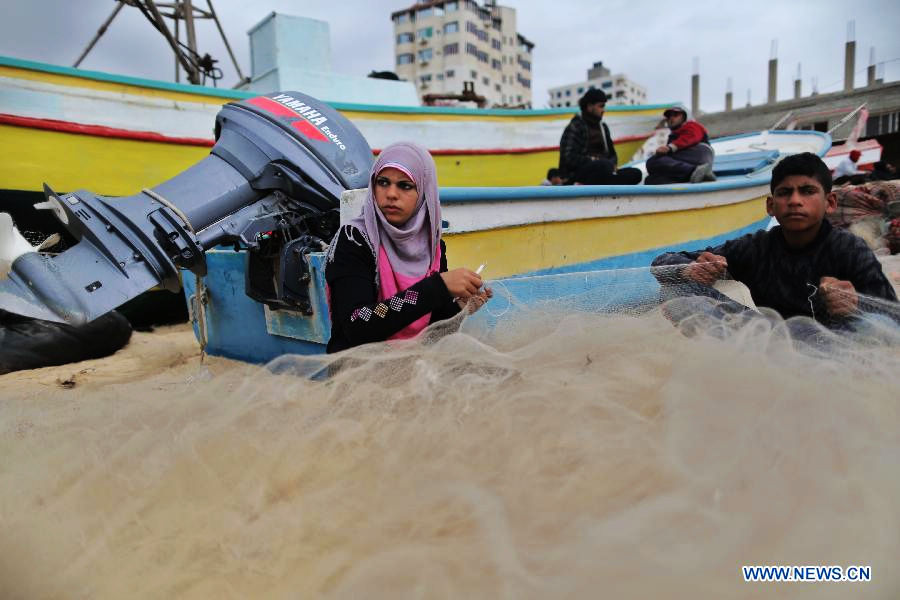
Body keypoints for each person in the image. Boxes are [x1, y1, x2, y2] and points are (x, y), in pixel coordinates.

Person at [651, 152, 897, 329]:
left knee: (874, 326)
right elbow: (661, 264)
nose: (795, 201)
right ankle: (730, 365)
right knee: (677, 290)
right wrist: (692, 269)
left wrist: (855, 305)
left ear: (830, 203)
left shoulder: (850, 249)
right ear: (771, 206)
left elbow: (893, 317)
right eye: (784, 192)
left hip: (827, 348)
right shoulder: (755, 246)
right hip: (766, 339)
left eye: (808, 191)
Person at [325, 142, 491, 353]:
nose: (391, 194)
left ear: (424, 191)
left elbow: (431, 331)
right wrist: (438, 287)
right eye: (383, 182)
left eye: (405, 185)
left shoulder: (433, 246)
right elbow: (358, 324)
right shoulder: (355, 240)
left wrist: (458, 308)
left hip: (412, 365)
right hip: (359, 371)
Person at [558, 89, 642, 185]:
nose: (603, 110)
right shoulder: (575, 126)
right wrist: (594, 160)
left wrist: (610, 165)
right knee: (602, 166)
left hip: (604, 171)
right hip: (579, 174)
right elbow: (568, 157)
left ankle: (604, 183)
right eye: (601, 106)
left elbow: (613, 155)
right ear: (589, 106)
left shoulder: (603, 127)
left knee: (635, 173)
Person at [645, 107, 716, 185]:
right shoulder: (673, 135)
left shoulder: (692, 125)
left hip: (698, 156)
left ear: (684, 117)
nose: (671, 118)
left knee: (653, 161)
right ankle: (694, 175)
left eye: (675, 115)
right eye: (669, 116)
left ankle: (696, 171)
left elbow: (691, 137)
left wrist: (669, 148)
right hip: (685, 162)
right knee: (651, 180)